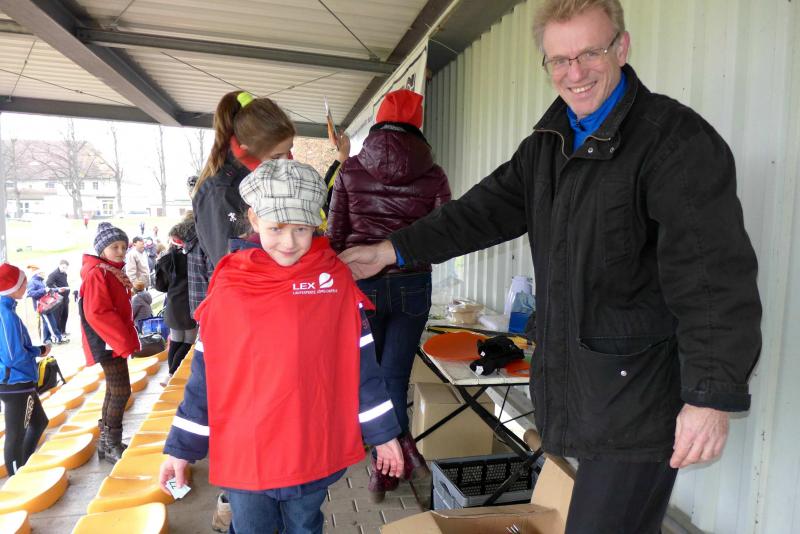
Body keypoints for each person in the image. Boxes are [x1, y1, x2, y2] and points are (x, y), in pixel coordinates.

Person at [338, 1, 763, 532]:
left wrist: (709, 398)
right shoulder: (549, 142)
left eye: (590, 53)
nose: (574, 72)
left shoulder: (672, 141)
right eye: (559, 60)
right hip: (584, 384)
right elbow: (479, 212)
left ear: (622, 48)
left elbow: (714, 280)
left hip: (640, 396)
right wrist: (390, 250)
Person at [159, 159, 404, 534]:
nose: (289, 242)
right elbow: (205, 375)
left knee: (305, 527)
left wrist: (383, 434)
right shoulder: (230, 285)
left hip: (309, 446)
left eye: (301, 229)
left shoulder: (334, 281)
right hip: (248, 451)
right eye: (276, 228)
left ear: (315, 225)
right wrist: (181, 449)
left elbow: (363, 366)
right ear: (254, 219)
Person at [326, 88, 451, 503]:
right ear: (418, 124)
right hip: (413, 285)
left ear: (378, 121)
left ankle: (387, 457)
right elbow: (443, 240)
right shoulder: (434, 175)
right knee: (395, 376)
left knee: (369, 376)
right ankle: (392, 465)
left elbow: (336, 236)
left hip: (363, 285)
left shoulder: (351, 169)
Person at [80, 222, 141, 464]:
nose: (120, 251)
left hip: (111, 340)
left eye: (123, 247)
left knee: (113, 390)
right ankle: (111, 443)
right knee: (121, 391)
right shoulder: (98, 273)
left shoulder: (109, 270)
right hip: (107, 341)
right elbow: (97, 312)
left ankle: (106, 442)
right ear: (102, 249)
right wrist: (123, 342)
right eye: (114, 247)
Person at [0, 263, 51, 475]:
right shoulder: (5, 314)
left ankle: (23, 468)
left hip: (17, 381)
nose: (26, 286)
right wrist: (37, 352)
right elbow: (13, 357)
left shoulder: (7, 310)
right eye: (23, 283)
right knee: (15, 435)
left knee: (39, 422)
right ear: (12, 287)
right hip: (15, 383)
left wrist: (38, 350)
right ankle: (16, 477)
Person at [154, 214, 197, 384]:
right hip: (190, 304)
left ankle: (170, 374)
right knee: (188, 341)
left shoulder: (166, 259)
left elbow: (160, 286)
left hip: (173, 305)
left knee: (177, 340)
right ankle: (172, 374)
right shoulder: (194, 257)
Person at [26, 266, 66, 345]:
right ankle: (57, 338)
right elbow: (30, 293)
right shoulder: (32, 282)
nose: (44, 274)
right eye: (42, 272)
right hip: (41, 306)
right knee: (51, 322)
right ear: (37, 273)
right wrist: (43, 290)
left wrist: (57, 289)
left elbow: (48, 290)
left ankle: (46, 339)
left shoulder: (41, 281)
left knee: (47, 322)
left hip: (46, 305)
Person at [46, 259, 71, 335]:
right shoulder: (53, 274)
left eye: (66, 268)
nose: (64, 269)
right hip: (58, 299)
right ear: (59, 265)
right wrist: (57, 289)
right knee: (58, 316)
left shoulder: (64, 274)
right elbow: (49, 284)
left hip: (65, 298)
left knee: (65, 315)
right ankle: (59, 333)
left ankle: (63, 331)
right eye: (63, 267)